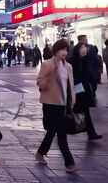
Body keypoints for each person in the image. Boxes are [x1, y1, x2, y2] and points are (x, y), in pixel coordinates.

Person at [35, 39, 77, 173]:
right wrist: (51, 74)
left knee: (52, 132)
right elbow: (40, 83)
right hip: (51, 104)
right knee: (61, 134)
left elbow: (69, 86)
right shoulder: (47, 64)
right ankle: (69, 163)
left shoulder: (68, 66)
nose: (64, 52)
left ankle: (40, 153)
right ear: (56, 50)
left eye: (66, 49)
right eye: (61, 49)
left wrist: (73, 100)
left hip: (64, 104)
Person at [70, 43, 102, 140]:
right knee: (80, 110)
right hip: (78, 89)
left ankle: (91, 133)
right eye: (82, 47)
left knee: (85, 111)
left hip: (85, 88)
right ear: (78, 49)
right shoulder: (73, 61)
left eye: (85, 47)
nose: (85, 49)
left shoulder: (86, 59)